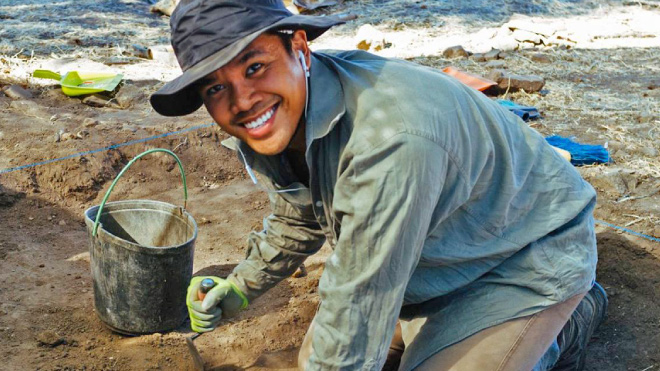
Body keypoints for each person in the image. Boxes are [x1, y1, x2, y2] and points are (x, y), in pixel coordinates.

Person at [150, 1, 608, 370]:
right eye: (214, 88)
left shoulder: (390, 141)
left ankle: (565, 320)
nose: (242, 102)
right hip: (431, 256)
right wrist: (242, 285)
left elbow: (359, 303)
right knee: (320, 355)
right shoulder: (284, 114)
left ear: (300, 49)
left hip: (521, 259)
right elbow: (299, 211)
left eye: (254, 67)